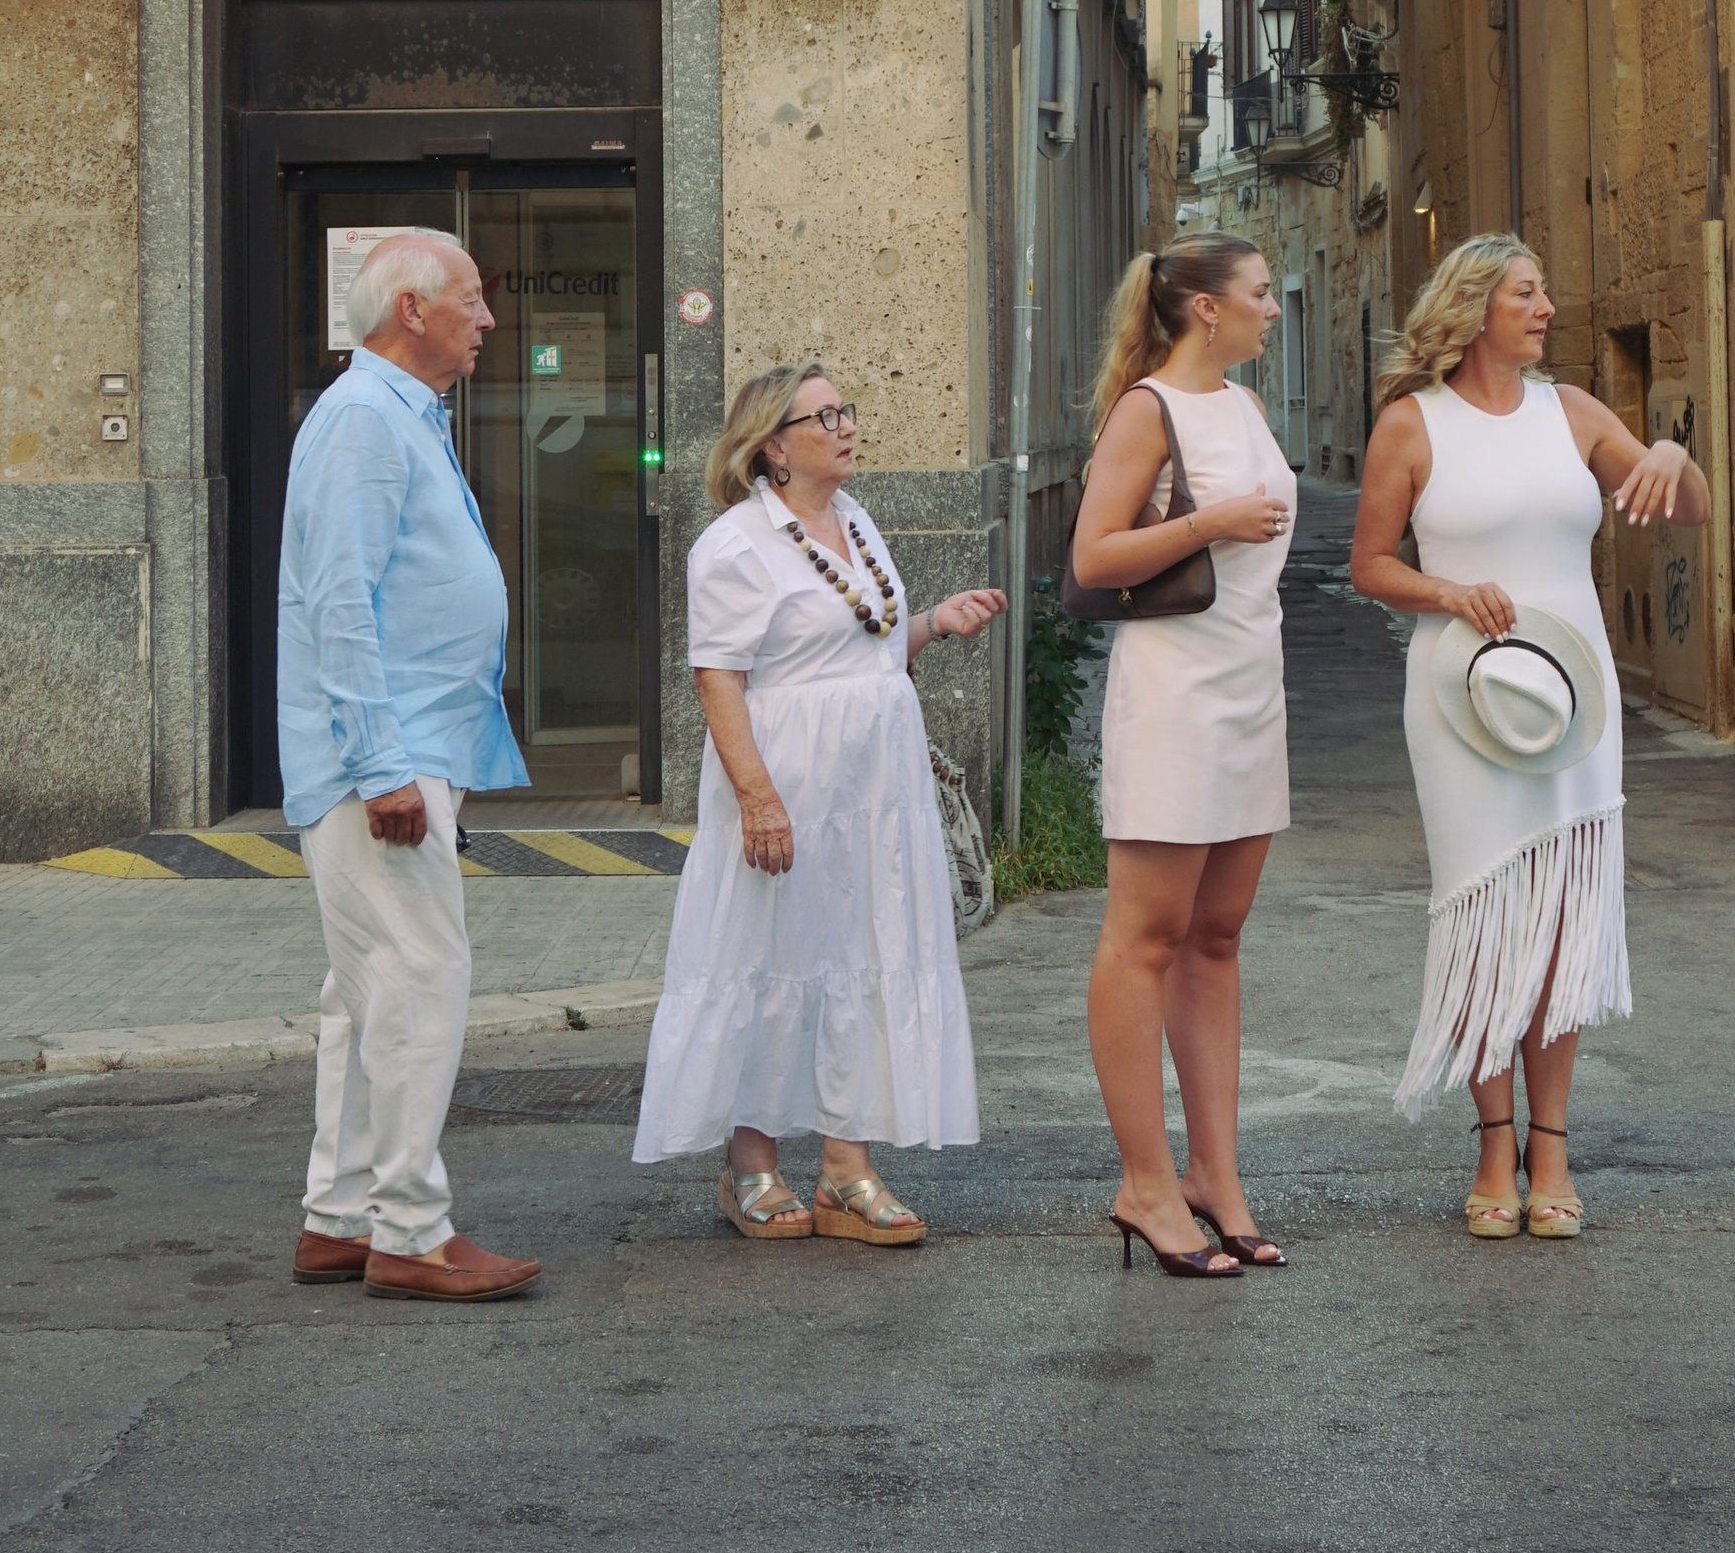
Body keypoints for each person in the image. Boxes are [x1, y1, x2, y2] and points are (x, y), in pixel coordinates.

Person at [1351, 234, 1709, 1240]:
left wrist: (1672, 453)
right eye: (1526, 292)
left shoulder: (1576, 414)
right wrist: (1449, 590)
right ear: (1474, 312)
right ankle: (1493, 1145)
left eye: (1543, 290)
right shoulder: (1412, 425)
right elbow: (1371, 563)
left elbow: (1688, 509)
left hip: (1571, 699)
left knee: (1561, 920)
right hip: (1461, 697)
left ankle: (1551, 1150)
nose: (1546, 306)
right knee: (1484, 914)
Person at [632, 364, 1004, 1240]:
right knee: (771, 956)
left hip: (875, 789)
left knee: (864, 947)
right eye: (824, 415)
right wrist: (757, 798)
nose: (844, 425)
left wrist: (933, 623)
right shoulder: (733, 545)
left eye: (846, 408)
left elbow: (860, 651)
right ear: (774, 444)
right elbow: (717, 678)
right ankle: (751, 1165)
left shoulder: (857, 523)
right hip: (786, 782)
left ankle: (847, 1169)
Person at [277, 228, 541, 1303]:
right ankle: (412, 1230)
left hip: (404, 746)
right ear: (411, 311)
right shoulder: (361, 423)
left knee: (363, 990)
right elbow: (338, 600)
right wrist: (382, 765)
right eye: (471, 302)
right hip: (384, 758)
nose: (487, 320)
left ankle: (341, 1217)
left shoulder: (392, 416)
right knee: (422, 979)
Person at [1068, 239, 1298, 1279]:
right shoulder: (1146, 409)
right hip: (1173, 697)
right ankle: (1145, 1184)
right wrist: (1211, 519)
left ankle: (1216, 1177)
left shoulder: (1243, 409)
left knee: (1216, 939)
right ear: (1205, 309)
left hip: (1250, 689)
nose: (1272, 311)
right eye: (1259, 295)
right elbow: (1091, 557)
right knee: (1142, 940)